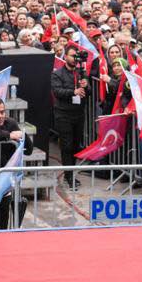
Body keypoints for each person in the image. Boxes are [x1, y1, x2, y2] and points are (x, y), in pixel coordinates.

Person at [51, 45, 88, 187]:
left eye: (76, 56)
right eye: (72, 56)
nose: (74, 59)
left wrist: (86, 86)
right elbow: (57, 92)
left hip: (78, 114)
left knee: (75, 145)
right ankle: (69, 176)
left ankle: (71, 172)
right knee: (66, 145)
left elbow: (88, 92)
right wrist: (74, 92)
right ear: (65, 56)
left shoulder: (81, 73)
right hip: (63, 114)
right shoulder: (57, 74)